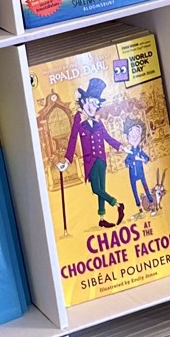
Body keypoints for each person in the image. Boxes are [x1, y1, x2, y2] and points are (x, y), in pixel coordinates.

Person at [60, 77, 125, 226]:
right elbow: (73, 138)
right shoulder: (78, 119)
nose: (92, 107)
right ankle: (117, 205)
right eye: (91, 102)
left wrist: (121, 147)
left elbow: (107, 137)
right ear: (83, 101)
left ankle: (102, 219)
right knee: (96, 189)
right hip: (90, 161)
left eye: (96, 104)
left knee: (101, 189)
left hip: (101, 159)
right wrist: (67, 159)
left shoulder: (98, 121)